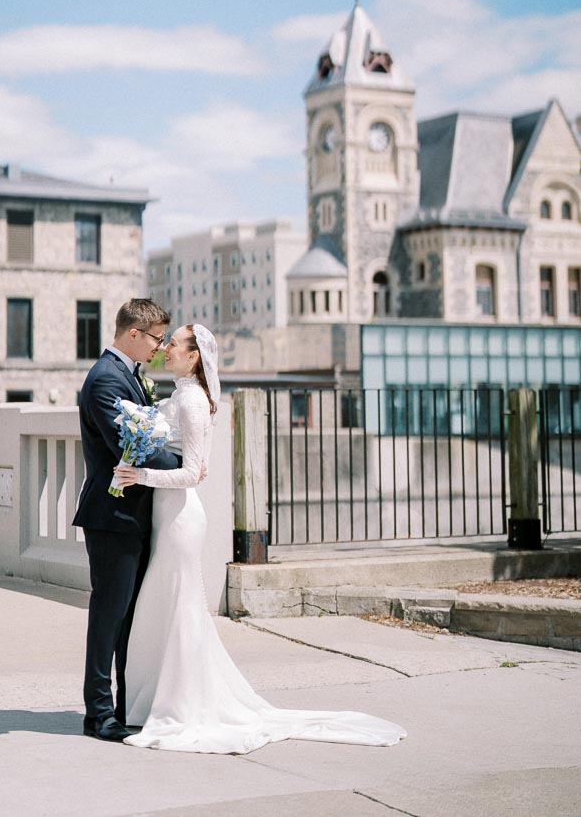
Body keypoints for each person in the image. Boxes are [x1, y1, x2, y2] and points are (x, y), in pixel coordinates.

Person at [112, 323, 406, 754]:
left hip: (180, 517)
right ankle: (162, 700)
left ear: (194, 357)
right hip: (166, 515)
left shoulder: (192, 400)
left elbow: (195, 472)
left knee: (178, 610)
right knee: (168, 609)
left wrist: (141, 475)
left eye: (173, 344)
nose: (166, 348)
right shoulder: (180, 396)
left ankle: (182, 704)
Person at [72, 298, 182, 743]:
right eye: (156, 339)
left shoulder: (130, 377)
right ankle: (98, 712)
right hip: (111, 514)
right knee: (109, 615)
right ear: (133, 334)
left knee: (130, 619)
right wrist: (181, 460)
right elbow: (130, 447)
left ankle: (123, 704)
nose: (159, 348)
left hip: (134, 513)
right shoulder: (104, 380)